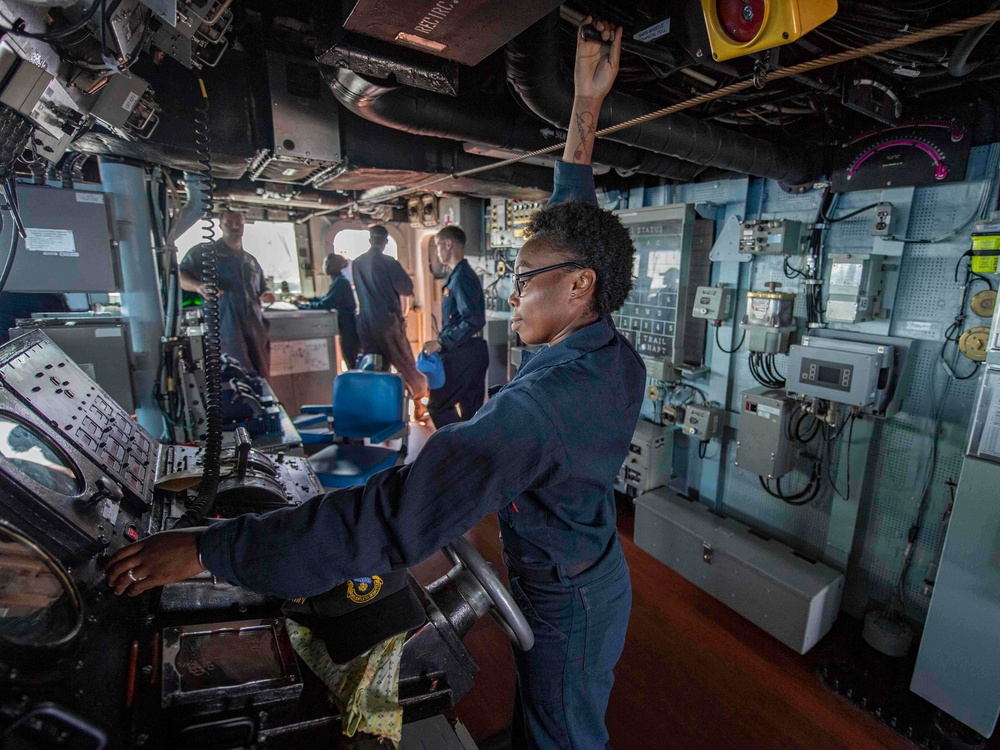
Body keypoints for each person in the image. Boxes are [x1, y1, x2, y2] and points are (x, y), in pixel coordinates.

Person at [107, 18, 640, 750]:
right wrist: (584, 108)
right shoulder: (608, 343)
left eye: (522, 281)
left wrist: (209, 551)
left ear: (579, 286)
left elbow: (396, 517)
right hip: (585, 565)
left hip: (567, 595)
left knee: (564, 734)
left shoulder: (541, 412)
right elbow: (577, 217)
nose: (511, 294)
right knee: (544, 720)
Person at [179, 210, 275, 378]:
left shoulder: (250, 260)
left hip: (255, 328)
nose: (235, 226)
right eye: (229, 223)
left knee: (261, 376)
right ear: (220, 225)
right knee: (233, 376)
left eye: (239, 223)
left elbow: (262, 288)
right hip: (224, 327)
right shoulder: (204, 253)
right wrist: (198, 286)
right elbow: (180, 276)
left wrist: (267, 294)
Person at [351, 225, 428, 420]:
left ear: (369, 240)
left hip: (365, 322)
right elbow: (406, 288)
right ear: (385, 242)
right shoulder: (388, 262)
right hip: (387, 322)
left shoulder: (357, 263)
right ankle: (419, 406)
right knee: (406, 364)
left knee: (375, 368)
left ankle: (379, 415)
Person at [421, 225, 489, 428]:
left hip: (464, 352)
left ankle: (457, 449)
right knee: (471, 414)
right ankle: (470, 454)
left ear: (448, 244)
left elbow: (473, 320)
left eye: (437, 246)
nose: (436, 251)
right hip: (470, 350)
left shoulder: (461, 278)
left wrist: (441, 342)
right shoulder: (459, 275)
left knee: (437, 405)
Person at [298, 253, 360, 371]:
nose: (324, 266)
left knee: (350, 360)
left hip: (348, 326)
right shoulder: (338, 281)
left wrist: (302, 307)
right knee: (349, 358)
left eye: (327, 263)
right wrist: (308, 300)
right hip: (346, 324)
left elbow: (327, 304)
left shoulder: (340, 282)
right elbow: (327, 298)